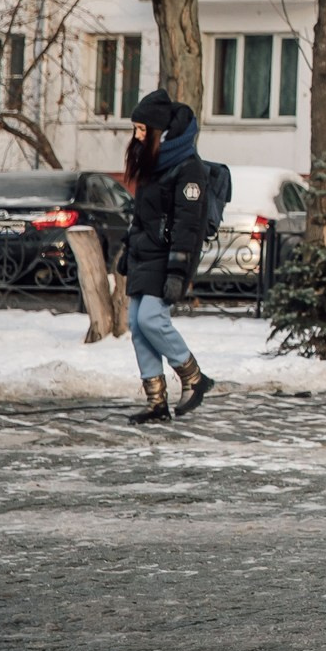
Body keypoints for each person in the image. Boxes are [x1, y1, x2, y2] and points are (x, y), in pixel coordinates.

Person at [120, 90, 219, 424]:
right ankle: (156, 401)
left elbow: (187, 225)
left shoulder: (188, 169)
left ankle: (193, 376)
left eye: (143, 129)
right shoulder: (154, 165)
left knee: (151, 319)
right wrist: (126, 253)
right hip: (145, 254)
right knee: (136, 324)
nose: (137, 136)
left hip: (168, 258)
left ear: (161, 131)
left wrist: (178, 271)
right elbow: (143, 217)